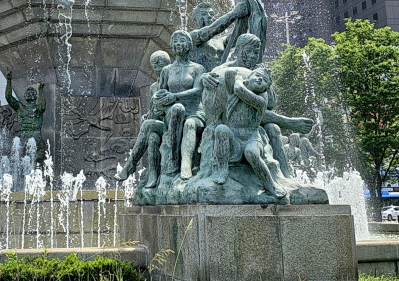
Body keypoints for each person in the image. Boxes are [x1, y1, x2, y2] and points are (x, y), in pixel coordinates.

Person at [211, 66, 288, 198]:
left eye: (264, 80)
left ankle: (270, 184)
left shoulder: (261, 101)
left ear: (265, 89)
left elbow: (239, 89)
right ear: (250, 76)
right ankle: (222, 169)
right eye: (257, 75)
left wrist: (239, 80)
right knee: (221, 129)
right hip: (234, 137)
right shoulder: (233, 93)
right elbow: (229, 75)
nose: (259, 79)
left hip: (251, 137)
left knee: (251, 153)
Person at [153, 31, 205, 180]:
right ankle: (173, 159)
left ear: (189, 45)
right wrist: (159, 101)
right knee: (177, 108)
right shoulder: (166, 70)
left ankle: (186, 164)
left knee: (189, 124)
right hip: (173, 111)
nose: (177, 44)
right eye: (175, 41)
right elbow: (161, 91)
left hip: (194, 111)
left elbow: (198, 90)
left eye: (181, 41)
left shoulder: (197, 68)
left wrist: (175, 96)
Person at [117, 49, 171, 187]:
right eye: (155, 66)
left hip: (175, 124)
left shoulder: (175, 82)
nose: (158, 69)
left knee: (147, 126)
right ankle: (153, 176)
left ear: (168, 64)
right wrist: (148, 115)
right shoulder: (153, 87)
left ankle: (129, 166)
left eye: (161, 65)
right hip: (162, 126)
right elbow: (155, 113)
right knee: (152, 137)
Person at [188, 0, 250, 72]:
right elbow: (212, 29)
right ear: (195, 20)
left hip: (220, 79)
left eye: (211, 14)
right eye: (204, 14)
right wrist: (235, 13)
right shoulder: (191, 38)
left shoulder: (220, 42)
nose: (209, 16)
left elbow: (238, 38)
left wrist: (244, 16)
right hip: (201, 80)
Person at [5, 71, 46, 164]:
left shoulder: (38, 109)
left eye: (32, 92)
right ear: (24, 96)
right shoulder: (19, 107)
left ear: (35, 96)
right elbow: (8, 97)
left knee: (39, 162)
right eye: (28, 92)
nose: (29, 93)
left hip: (36, 137)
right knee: (22, 163)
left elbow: (43, 105)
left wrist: (40, 90)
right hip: (24, 137)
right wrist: (8, 80)